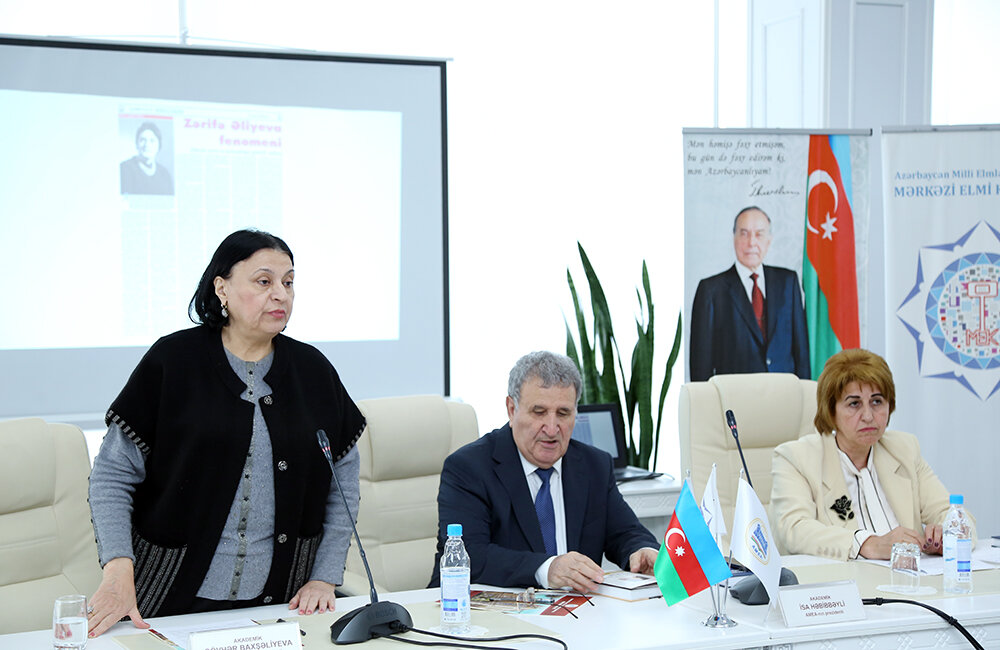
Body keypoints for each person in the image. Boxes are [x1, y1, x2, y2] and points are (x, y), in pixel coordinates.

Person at [87, 230, 365, 637]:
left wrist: (324, 577)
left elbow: (343, 485)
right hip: (166, 600)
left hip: (282, 606)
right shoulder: (173, 360)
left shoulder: (314, 371)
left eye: (289, 282)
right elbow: (112, 476)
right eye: (264, 281)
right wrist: (117, 570)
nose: (281, 294)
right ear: (222, 288)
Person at [430, 351, 658, 593]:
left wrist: (641, 550)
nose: (551, 429)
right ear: (511, 409)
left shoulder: (594, 465)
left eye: (563, 413)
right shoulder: (469, 468)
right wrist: (547, 568)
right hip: (483, 609)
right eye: (539, 412)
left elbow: (625, 532)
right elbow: (470, 556)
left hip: (579, 611)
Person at [770, 348, 975, 560]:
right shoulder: (797, 459)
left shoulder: (904, 450)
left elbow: (954, 514)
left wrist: (947, 534)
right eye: (854, 404)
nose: (868, 416)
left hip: (910, 576)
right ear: (831, 411)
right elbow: (795, 530)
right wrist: (867, 544)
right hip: (841, 579)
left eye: (877, 401)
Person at [689, 206, 810, 381]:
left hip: (783, 393)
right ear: (734, 238)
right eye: (744, 234)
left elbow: (802, 354)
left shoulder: (787, 282)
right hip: (734, 395)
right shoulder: (711, 290)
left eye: (759, 234)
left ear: (769, 240)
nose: (751, 242)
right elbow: (700, 364)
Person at [120, 121, 174, 195]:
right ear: (137, 144)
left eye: (152, 141)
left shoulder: (165, 175)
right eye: (142, 140)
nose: (147, 145)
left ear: (159, 146)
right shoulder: (125, 169)